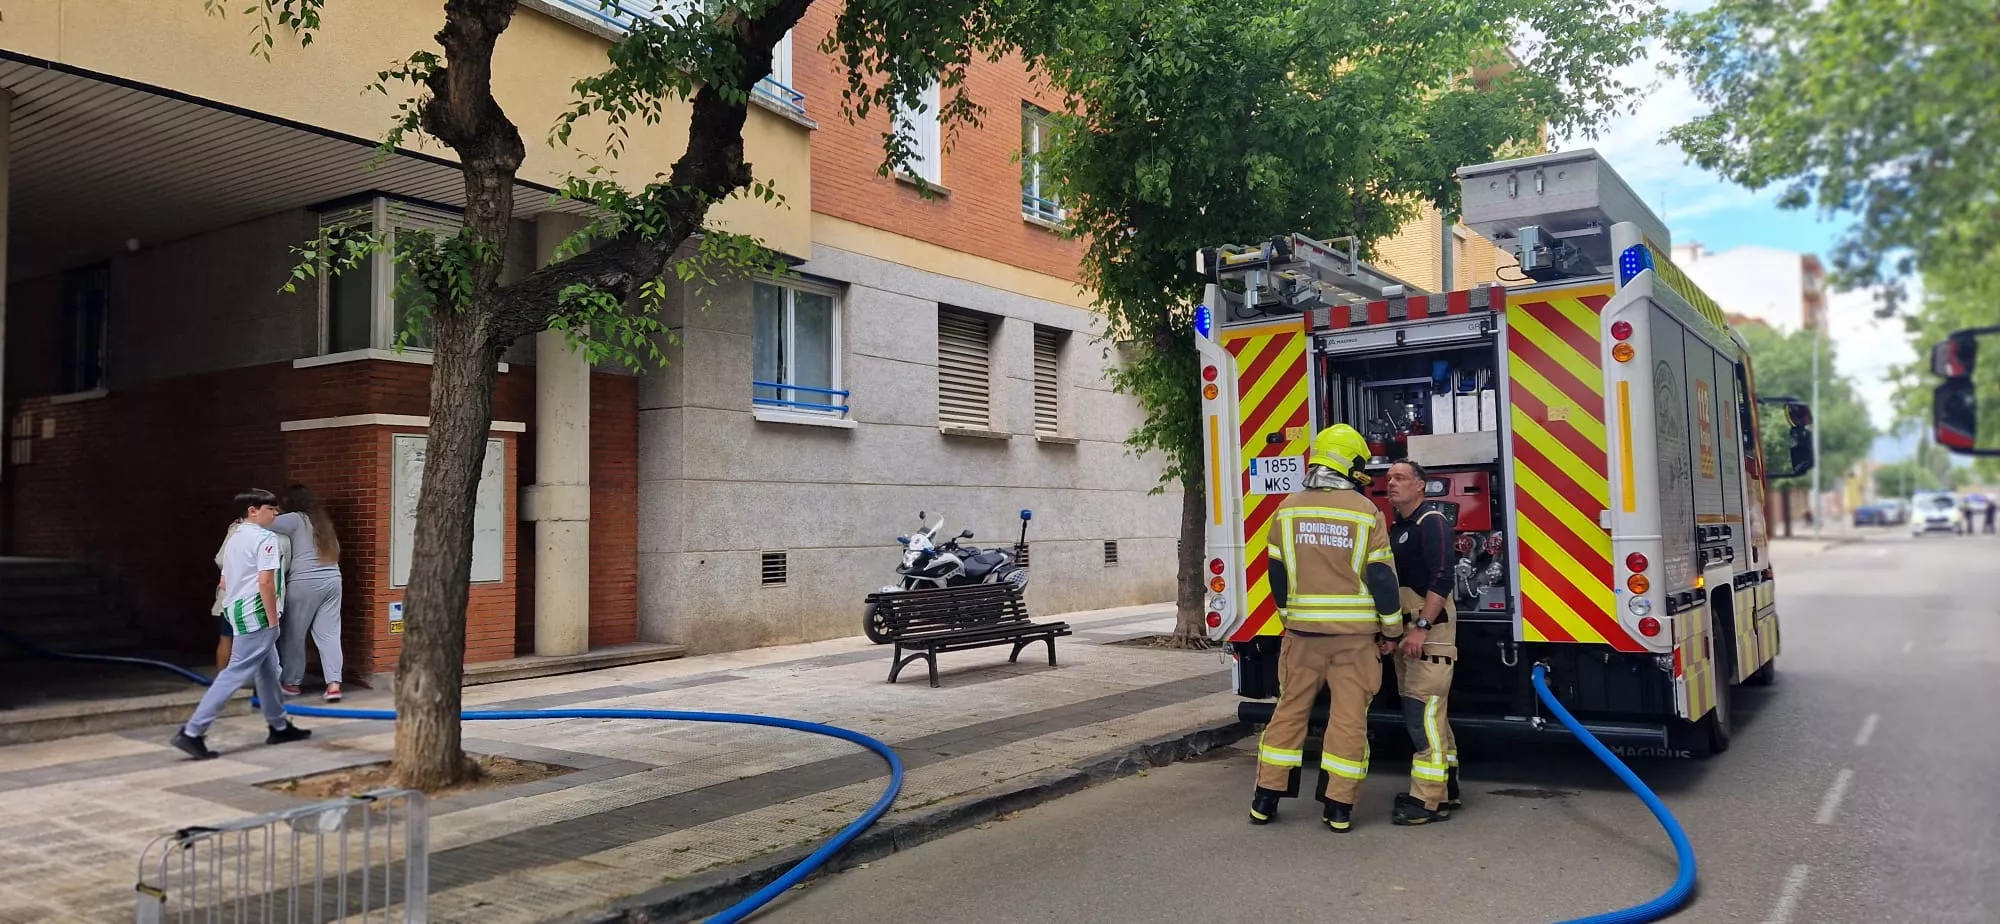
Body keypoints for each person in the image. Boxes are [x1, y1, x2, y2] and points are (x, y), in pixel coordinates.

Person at [1249, 423, 1403, 833]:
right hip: (1353, 641)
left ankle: (1265, 799)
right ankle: (1338, 808)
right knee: (1348, 720)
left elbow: (1276, 572)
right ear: (1351, 464)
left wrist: (1287, 616)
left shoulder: (1288, 507)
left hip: (1301, 637)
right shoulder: (1365, 511)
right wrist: (1391, 631)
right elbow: (1382, 579)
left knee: (1289, 712)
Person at [171, 489, 310, 760]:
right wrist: (272, 618)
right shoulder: (266, 539)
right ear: (253, 510)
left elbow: (224, 580)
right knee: (234, 673)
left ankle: (279, 725)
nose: (276, 513)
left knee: (269, 670)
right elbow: (266, 582)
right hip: (258, 613)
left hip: (237, 609)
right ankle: (192, 732)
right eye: (271, 509)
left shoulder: (235, 538)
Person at [1383, 458, 1460, 826]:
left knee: (1422, 712)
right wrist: (1392, 637)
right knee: (1433, 713)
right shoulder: (1400, 527)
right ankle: (1447, 788)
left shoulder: (1433, 523)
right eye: (1389, 478)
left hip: (1430, 633)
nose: (1392, 483)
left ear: (1420, 486)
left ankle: (1426, 801)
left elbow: (1442, 579)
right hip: (1410, 632)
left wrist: (1422, 626)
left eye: (1400, 477)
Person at [271, 484, 346, 701]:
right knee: (330, 635)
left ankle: (292, 683)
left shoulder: (295, 519)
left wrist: (241, 523)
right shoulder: (323, 522)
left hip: (304, 582)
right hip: (332, 580)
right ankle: (333, 685)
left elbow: (263, 523)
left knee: (294, 635)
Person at [211, 517, 243, 673]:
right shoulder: (244, 530)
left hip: (231, 595)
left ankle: (221, 681)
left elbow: (220, 559)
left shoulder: (235, 529)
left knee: (226, 637)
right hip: (243, 596)